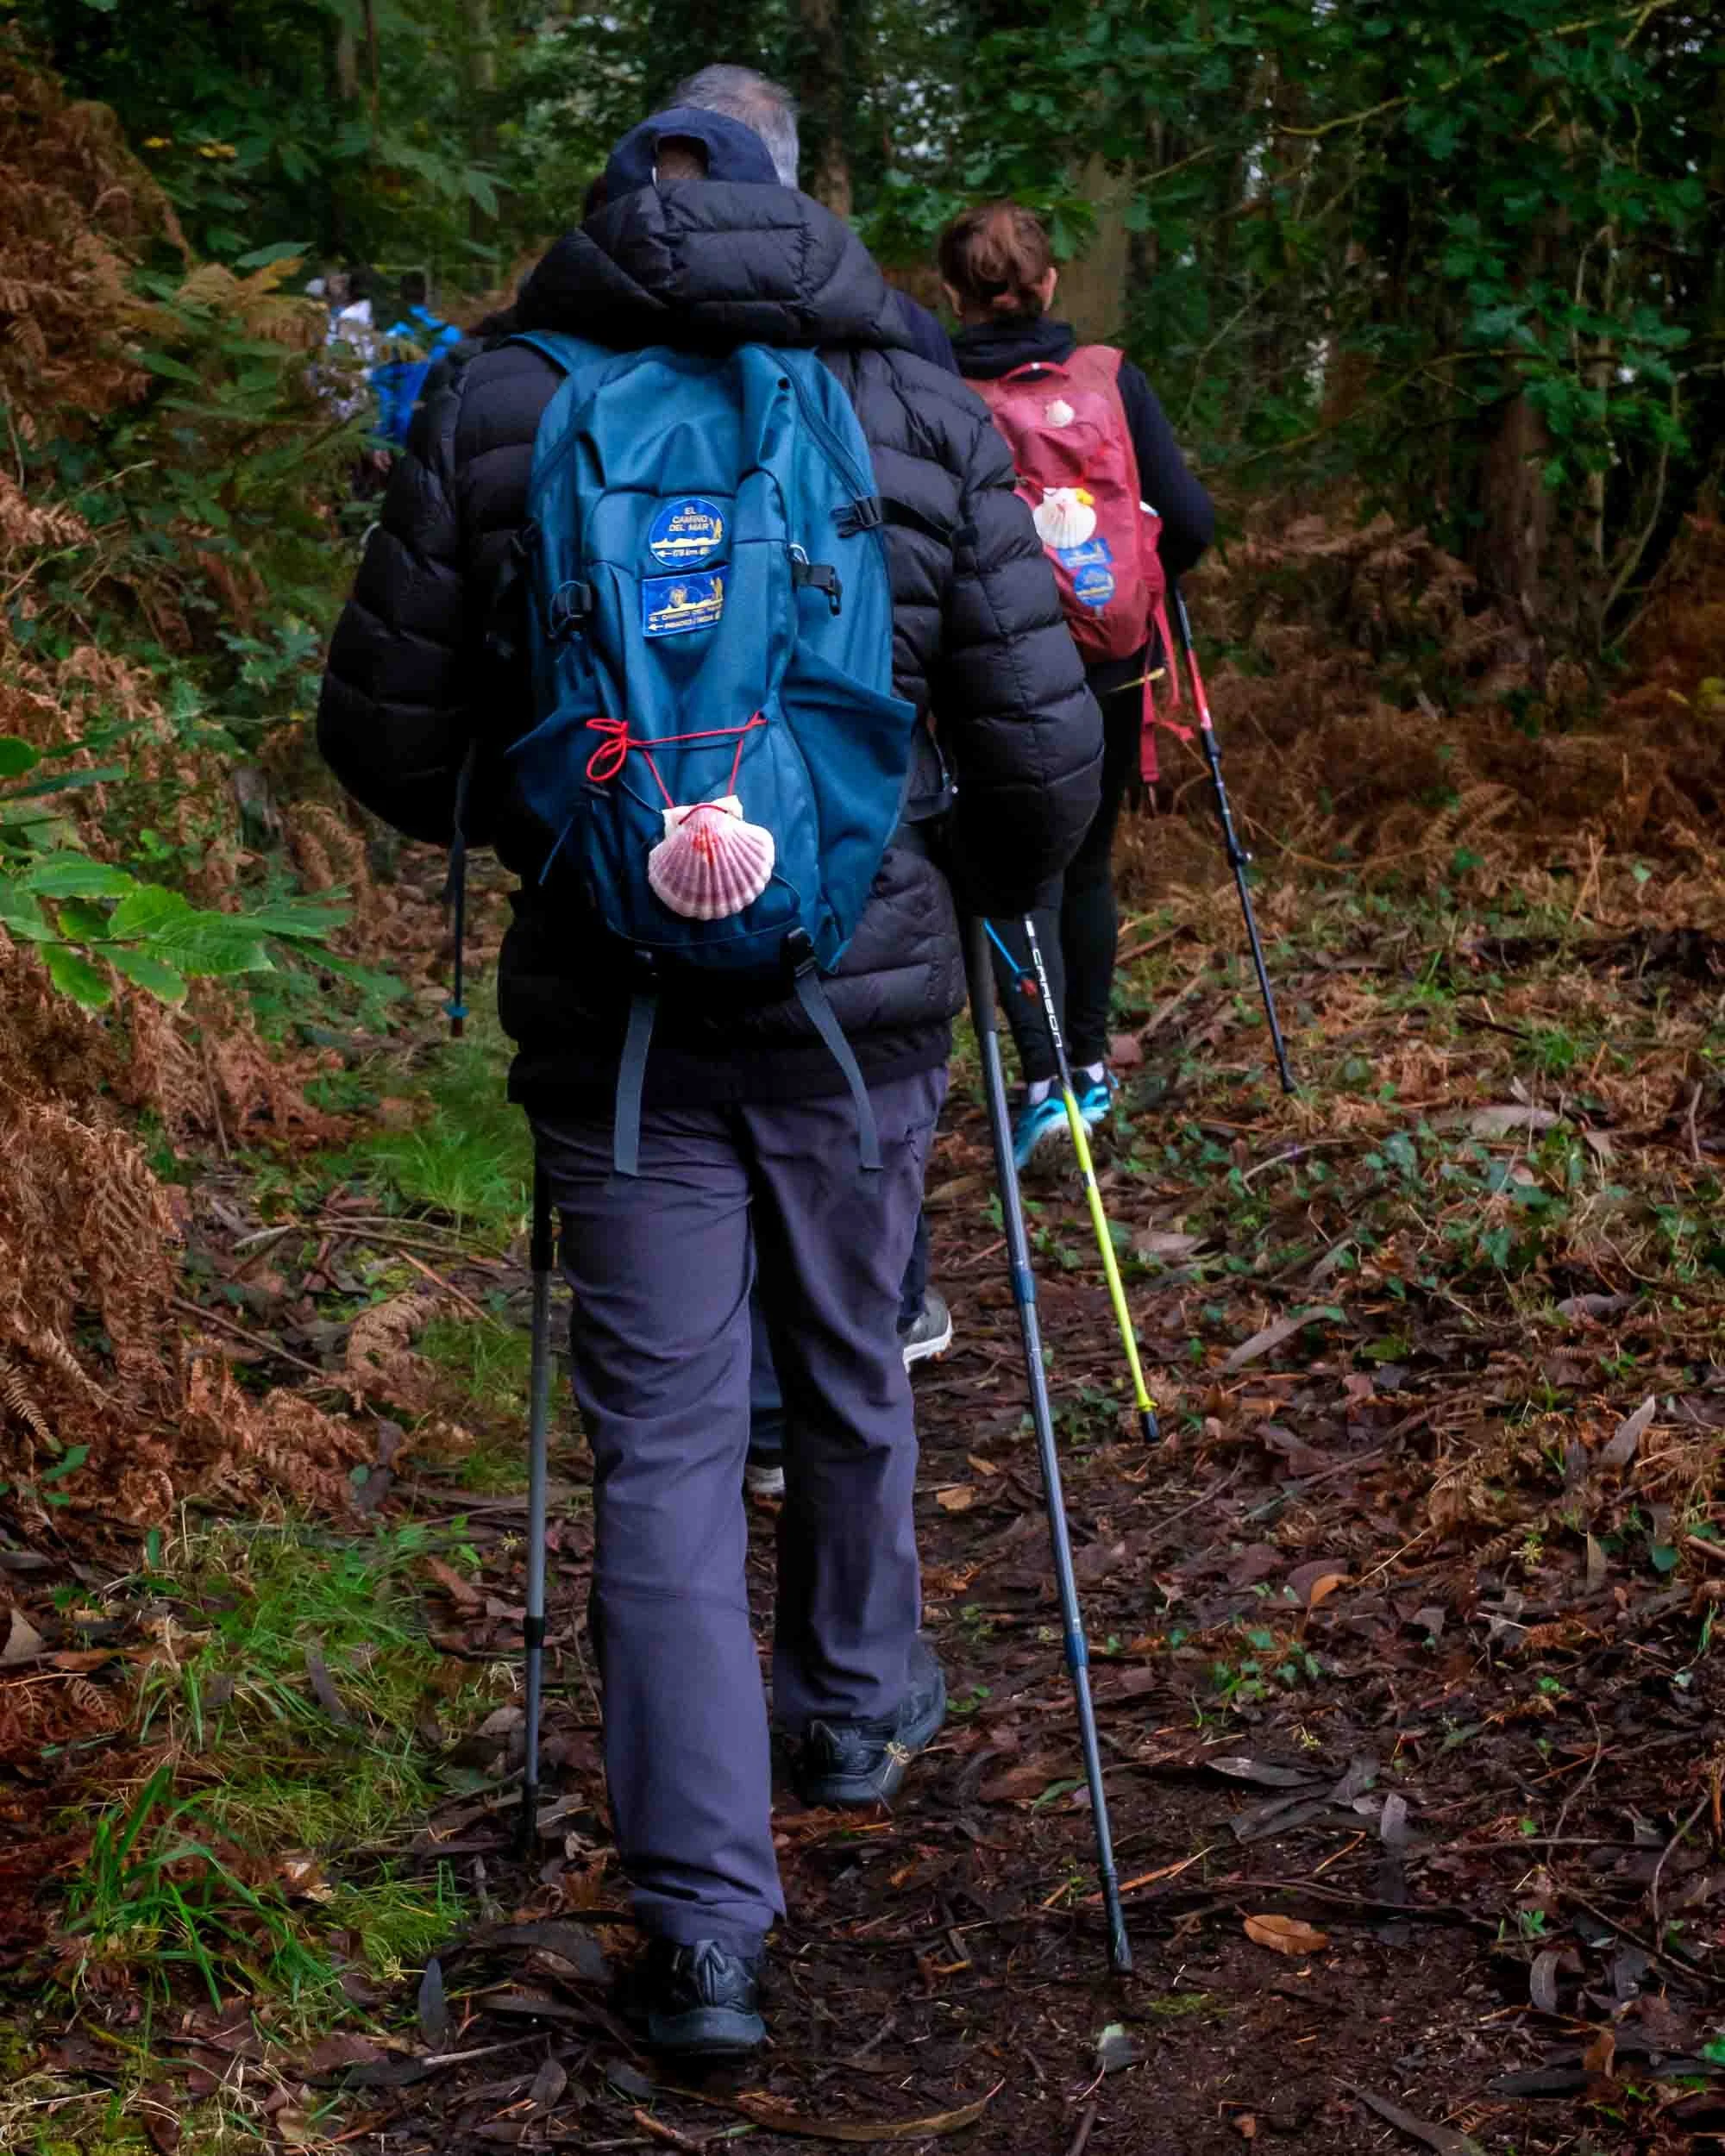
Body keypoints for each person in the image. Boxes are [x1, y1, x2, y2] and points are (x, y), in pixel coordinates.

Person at [318, 80, 1101, 2059]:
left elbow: (385, 741)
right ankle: (849, 1711)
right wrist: (957, 901)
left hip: (615, 1026)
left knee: (662, 1451)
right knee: (849, 1361)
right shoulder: (910, 407)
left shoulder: (500, 405)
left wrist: (560, 832)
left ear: (613, 207)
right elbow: (1040, 754)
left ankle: (704, 1930)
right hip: (866, 1005)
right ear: (793, 205)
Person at [940, 203, 1215, 1168]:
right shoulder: (1109, 375)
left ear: (953, 296)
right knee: (1087, 862)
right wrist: (1146, 580)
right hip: (1111, 661)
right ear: (1049, 282)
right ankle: (1087, 1072)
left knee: (1014, 874)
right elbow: (1186, 516)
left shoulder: (931, 387)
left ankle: (1041, 1081)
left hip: (995, 669)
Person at [371, 270, 463, 450]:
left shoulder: (392, 337)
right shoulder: (452, 335)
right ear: (426, 296)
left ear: (400, 296)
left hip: (404, 432)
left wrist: (378, 440)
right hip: (447, 428)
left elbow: (383, 391)